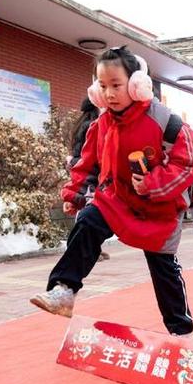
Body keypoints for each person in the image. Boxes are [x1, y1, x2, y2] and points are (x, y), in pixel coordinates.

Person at [30, 46, 193, 337]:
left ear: (137, 84)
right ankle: (65, 290)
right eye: (103, 86)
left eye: (116, 85)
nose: (109, 94)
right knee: (88, 221)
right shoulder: (102, 124)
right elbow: (87, 164)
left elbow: (189, 165)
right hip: (116, 201)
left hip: (159, 211)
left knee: (164, 270)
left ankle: (182, 333)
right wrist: (74, 193)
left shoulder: (167, 122)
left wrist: (152, 183)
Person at [66, 98, 110, 261]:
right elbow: (89, 153)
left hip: (79, 167)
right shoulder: (92, 124)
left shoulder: (81, 123)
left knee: (86, 206)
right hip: (86, 169)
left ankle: (91, 248)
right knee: (87, 208)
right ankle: (78, 248)